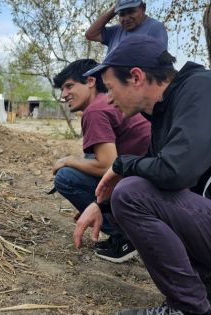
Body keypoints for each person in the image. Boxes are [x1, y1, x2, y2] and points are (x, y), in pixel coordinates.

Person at [76, 34, 211, 315]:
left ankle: (187, 309)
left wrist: (122, 164)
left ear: (136, 77)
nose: (109, 99)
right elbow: (155, 169)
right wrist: (99, 204)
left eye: (111, 88)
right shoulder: (165, 109)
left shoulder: (200, 88)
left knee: (131, 194)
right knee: (132, 191)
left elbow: (175, 172)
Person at [51, 59, 151, 263]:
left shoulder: (96, 110)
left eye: (69, 86)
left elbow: (107, 165)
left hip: (142, 184)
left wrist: (69, 160)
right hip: (146, 174)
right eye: (62, 89)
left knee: (66, 177)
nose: (64, 94)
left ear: (90, 81)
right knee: (85, 162)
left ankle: (126, 237)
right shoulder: (108, 101)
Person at [85, 0, 168, 53]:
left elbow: (159, 60)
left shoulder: (155, 28)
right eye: (122, 14)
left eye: (131, 12)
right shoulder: (116, 31)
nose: (127, 18)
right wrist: (115, 8)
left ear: (143, 8)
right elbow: (91, 34)